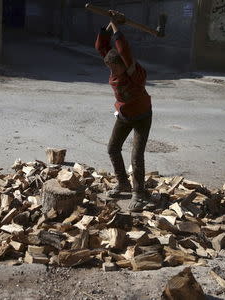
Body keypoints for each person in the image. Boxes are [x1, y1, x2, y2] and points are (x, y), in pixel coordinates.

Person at [95, 10, 152, 212]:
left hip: (142, 116)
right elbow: (102, 46)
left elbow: (124, 48)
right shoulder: (115, 62)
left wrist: (118, 27)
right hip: (125, 114)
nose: (111, 72)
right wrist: (109, 24)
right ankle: (123, 183)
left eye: (114, 68)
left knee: (136, 156)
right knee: (112, 148)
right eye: (108, 68)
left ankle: (139, 194)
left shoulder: (134, 72)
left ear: (123, 64)